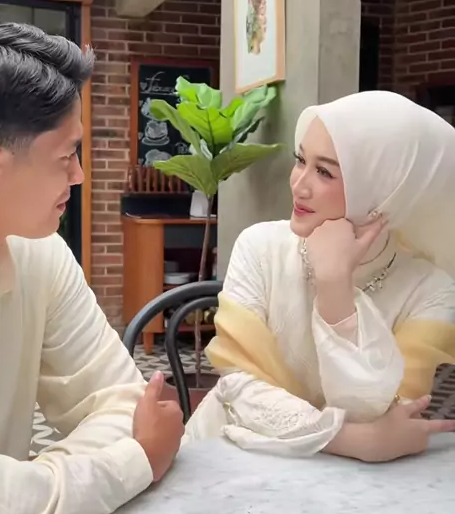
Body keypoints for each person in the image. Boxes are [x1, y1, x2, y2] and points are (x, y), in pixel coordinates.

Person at [0, 16, 184, 514]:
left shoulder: (39, 254)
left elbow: (121, 402)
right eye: (66, 156)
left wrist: (21, 498)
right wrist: (130, 463)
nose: (80, 177)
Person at [186, 90, 455, 461]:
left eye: (324, 171)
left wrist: (335, 289)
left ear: (386, 190)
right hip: (228, 457)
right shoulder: (260, 247)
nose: (298, 184)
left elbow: (387, 413)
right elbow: (238, 387)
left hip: (351, 486)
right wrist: (356, 441)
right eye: (301, 160)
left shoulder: (431, 289)